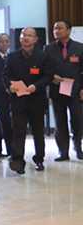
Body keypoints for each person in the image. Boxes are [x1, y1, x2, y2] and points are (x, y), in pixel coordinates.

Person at [3, 27, 53, 174]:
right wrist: (10, 85)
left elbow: (48, 76)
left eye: (30, 35)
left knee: (38, 132)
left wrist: (35, 86)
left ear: (35, 39)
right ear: (20, 38)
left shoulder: (43, 56)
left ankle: (39, 159)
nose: (26, 38)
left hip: (36, 100)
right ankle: (18, 161)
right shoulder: (12, 56)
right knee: (18, 131)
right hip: (18, 101)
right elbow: (5, 75)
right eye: (24, 35)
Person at [43, 20, 83, 161]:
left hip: (75, 91)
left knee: (78, 120)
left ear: (69, 30)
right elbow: (44, 69)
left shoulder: (80, 48)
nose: (56, 31)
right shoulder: (48, 48)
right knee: (60, 122)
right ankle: (63, 152)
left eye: (60, 28)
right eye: (55, 29)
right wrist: (52, 77)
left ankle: (78, 147)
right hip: (56, 90)